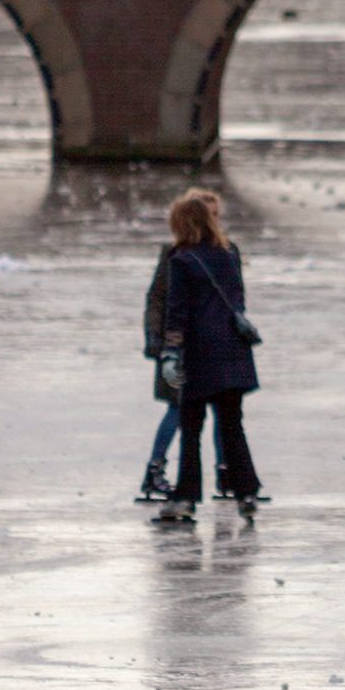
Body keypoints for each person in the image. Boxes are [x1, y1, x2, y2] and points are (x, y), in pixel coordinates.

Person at [155, 192, 260, 523]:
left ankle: (186, 498)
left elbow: (177, 314)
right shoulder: (229, 255)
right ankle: (246, 492)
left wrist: (170, 353)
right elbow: (238, 301)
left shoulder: (182, 260)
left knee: (191, 426)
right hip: (233, 350)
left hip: (201, 354)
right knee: (232, 425)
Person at [140, 189, 226, 502]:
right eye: (209, 215)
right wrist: (157, 343)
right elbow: (157, 299)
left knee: (220, 409)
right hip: (177, 347)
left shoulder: (224, 251)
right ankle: (155, 471)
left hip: (211, 347)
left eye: (217, 215)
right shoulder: (174, 254)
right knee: (177, 409)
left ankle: (225, 471)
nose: (215, 222)